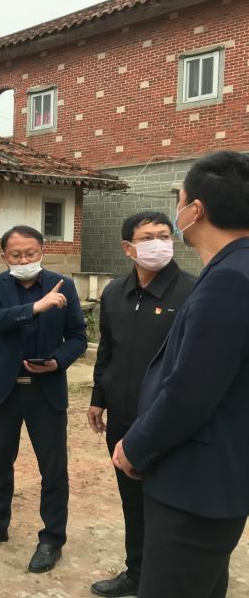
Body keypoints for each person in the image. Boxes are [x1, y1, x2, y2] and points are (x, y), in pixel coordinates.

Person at [113, 151, 249, 598]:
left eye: (180, 202)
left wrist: (135, 447)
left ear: (196, 210)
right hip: (218, 478)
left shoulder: (228, 279)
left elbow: (191, 391)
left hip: (195, 482)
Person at [0, 225, 87, 575]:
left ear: (42, 251)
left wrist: (58, 362)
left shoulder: (63, 285)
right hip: (3, 388)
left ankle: (52, 538)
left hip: (46, 390)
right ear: (4, 256)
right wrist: (36, 307)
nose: (24, 259)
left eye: (31, 253)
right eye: (16, 255)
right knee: (0, 460)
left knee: (53, 467)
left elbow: (78, 336)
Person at [87, 212, 195, 597]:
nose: (159, 243)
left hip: (168, 421)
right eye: (148, 237)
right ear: (128, 247)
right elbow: (107, 351)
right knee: (132, 501)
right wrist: (98, 399)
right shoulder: (115, 292)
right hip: (122, 418)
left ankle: (174, 580)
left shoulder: (192, 291)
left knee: (170, 506)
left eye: (164, 235)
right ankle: (137, 573)